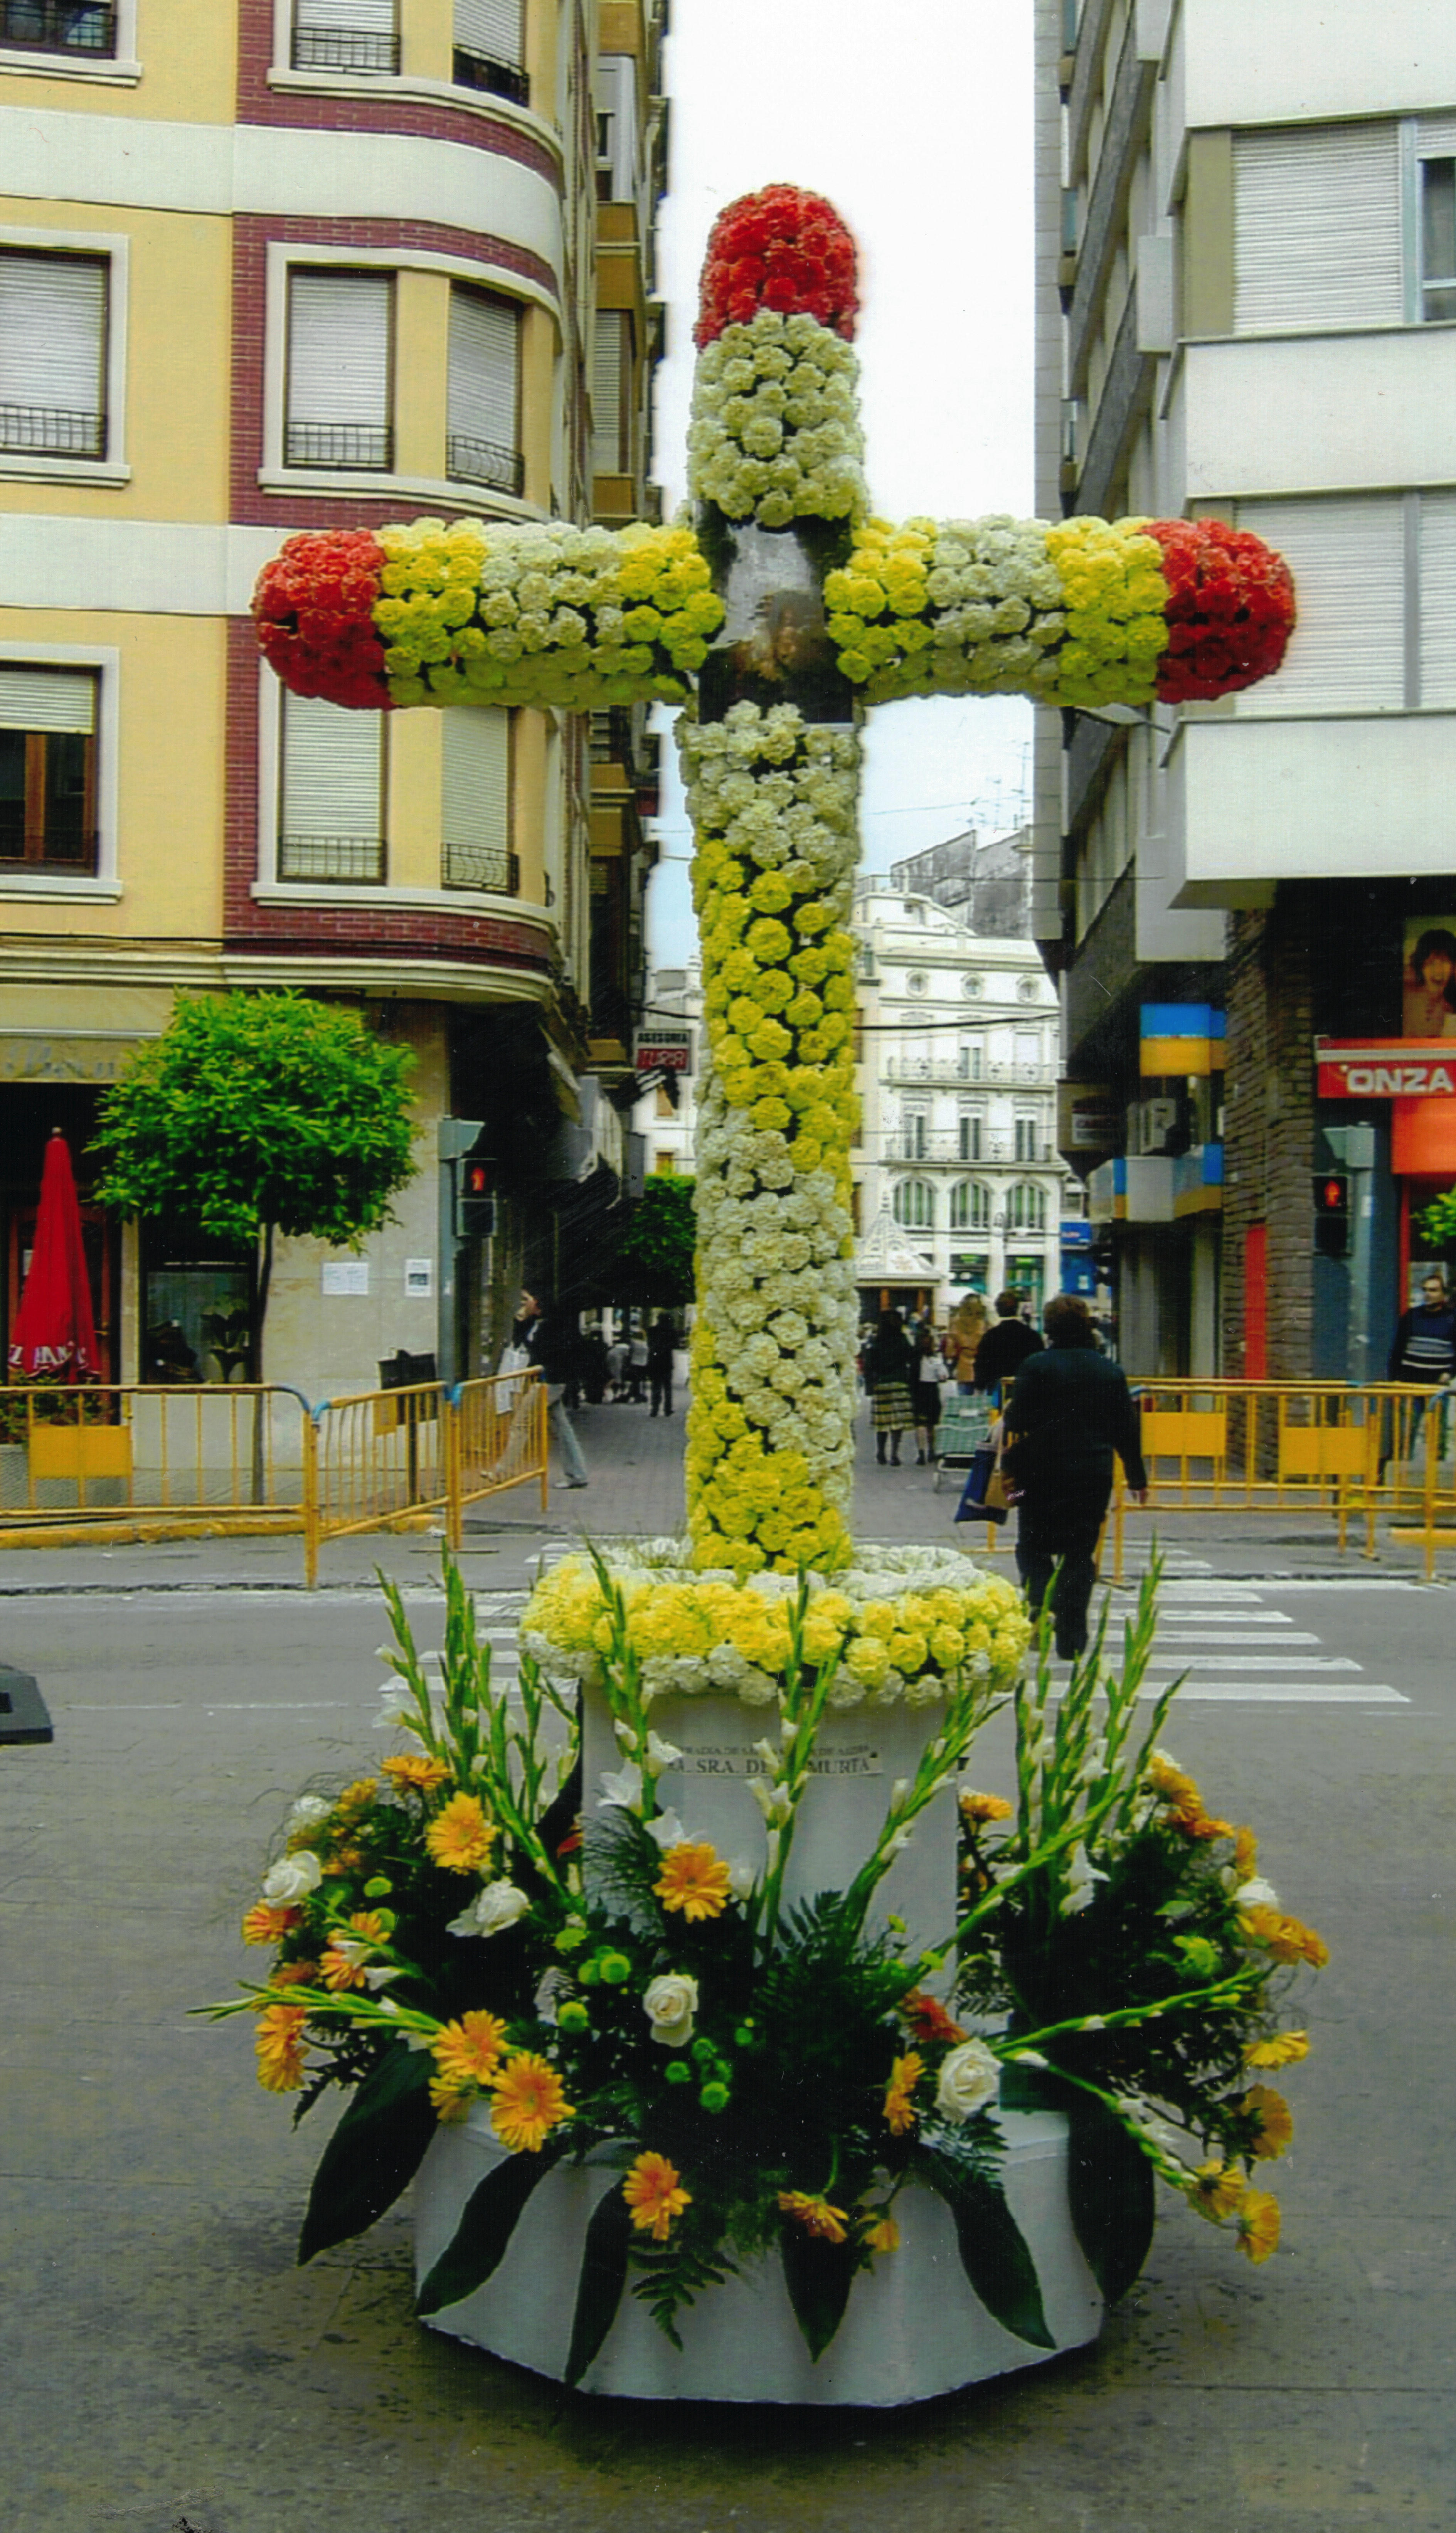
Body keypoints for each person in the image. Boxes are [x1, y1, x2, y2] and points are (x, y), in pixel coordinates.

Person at [1002, 1292, 1148, 1661]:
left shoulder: (1035, 1366)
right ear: (1086, 1325)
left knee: (1031, 1543)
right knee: (1079, 1553)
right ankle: (1072, 1635)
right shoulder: (1108, 1371)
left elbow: (1017, 1421)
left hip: (1038, 1473)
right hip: (1091, 1474)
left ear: (1049, 1327)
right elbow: (1125, 1430)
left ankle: (1038, 1600)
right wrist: (1136, 1477)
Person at [513, 1288, 588, 1489]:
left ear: (538, 1304)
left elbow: (540, 1351)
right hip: (549, 1381)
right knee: (563, 1428)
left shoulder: (551, 1326)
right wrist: (523, 1316)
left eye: (528, 1301)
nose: (525, 1305)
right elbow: (520, 1339)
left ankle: (503, 1470)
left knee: (522, 1423)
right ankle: (577, 1473)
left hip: (550, 1381)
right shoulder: (539, 1324)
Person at [1386, 1271, 1456, 1468]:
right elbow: (1398, 1348)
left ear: (1443, 1294)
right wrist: (1395, 1379)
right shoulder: (1412, 1316)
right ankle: (1401, 1473)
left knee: (1437, 1432)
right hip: (1410, 1383)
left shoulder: (1452, 1319)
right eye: (1425, 1290)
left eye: (1433, 1291)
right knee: (1406, 1431)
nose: (1428, 1294)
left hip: (1436, 1385)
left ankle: (1437, 1475)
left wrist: (1449, 1373)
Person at [863, 1308, 917, 1467]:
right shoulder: (902, 1339)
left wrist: (870, 1385)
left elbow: (870, 1365)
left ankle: (880, 1451)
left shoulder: (876, 1341)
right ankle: (894, 1453)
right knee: (897, 1422)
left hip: (881, 1384)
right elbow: (911, 1356)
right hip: (900, 1382)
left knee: (882, 1422)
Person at [973, 1290, 1044, 1399]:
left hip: (997, 1388)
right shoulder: (1032, 1336)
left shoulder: (991, 1336)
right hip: (1025, 1388)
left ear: (998, 1310)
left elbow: (982, 1364)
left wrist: (980, 1387)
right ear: (1018, 1309)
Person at [1402, 930, 1456, 1037]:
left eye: (1445, 962)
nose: (1438, 971)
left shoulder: (1450, 1003)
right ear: (1421, 966)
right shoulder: (1407, 1000)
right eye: (1430, 963)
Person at [914, 1323, 949, 1465]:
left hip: (918, 1390)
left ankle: (921, 1453)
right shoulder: (936, 1360)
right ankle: (932, 1450)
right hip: (932, 1390)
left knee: (920, 1424)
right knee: (932, 1423)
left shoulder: (915, 1359)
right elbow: (944, 1376)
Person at [946, 1295, 989, 1393]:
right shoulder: (984, 1324)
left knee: (967, 1404)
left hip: (971, 1369)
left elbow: (950, 1353)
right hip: (976, 1369)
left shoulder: (956, 1325)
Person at [647, 1313, 676, 1417]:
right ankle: (667, 1409)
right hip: (667, 1361)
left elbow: (650, 1344)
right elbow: (675, 1345)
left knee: (656, 1386)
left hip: (655, 1361)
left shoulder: (652, 1331)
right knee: (667, 1387)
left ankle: (654, 1409)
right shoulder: (672, 1331)